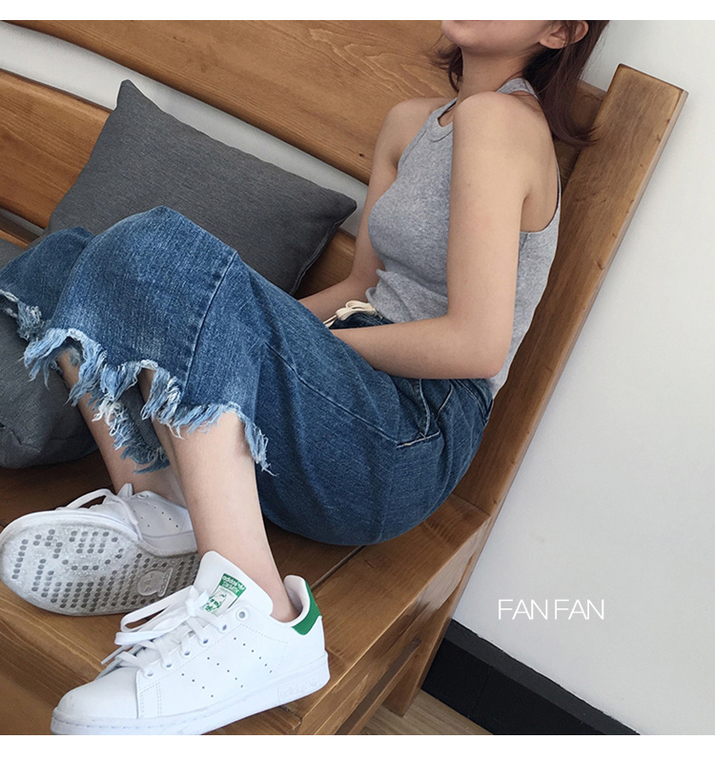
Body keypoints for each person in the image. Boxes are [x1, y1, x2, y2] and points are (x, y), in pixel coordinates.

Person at [0, 20, 608, 735]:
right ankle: (165, 506)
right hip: (336, 394)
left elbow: (475, 347)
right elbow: (360, 285)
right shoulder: (410, 123)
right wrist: (236, 330)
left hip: (407, 432)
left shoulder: (503, 122)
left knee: (160, 244)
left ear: (560, 31)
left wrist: (266, 339)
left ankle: (265, 620)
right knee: (73, 256)